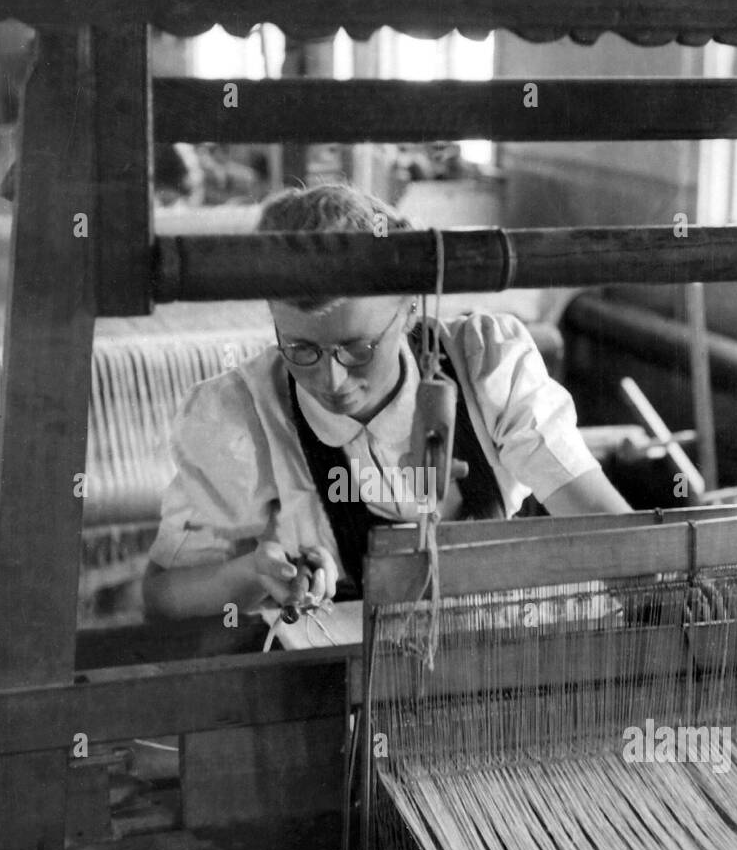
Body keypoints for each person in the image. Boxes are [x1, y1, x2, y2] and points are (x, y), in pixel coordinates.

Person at [142, 184, 631, 621]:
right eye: (301, 349)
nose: (331, 379)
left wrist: (652, 583)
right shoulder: (240, 415)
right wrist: (254, 572)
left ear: (409, 308)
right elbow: (164, 596)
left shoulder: (489, 365)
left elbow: (595, 512)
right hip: (350, 688)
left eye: (356, 349)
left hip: (503, 657)